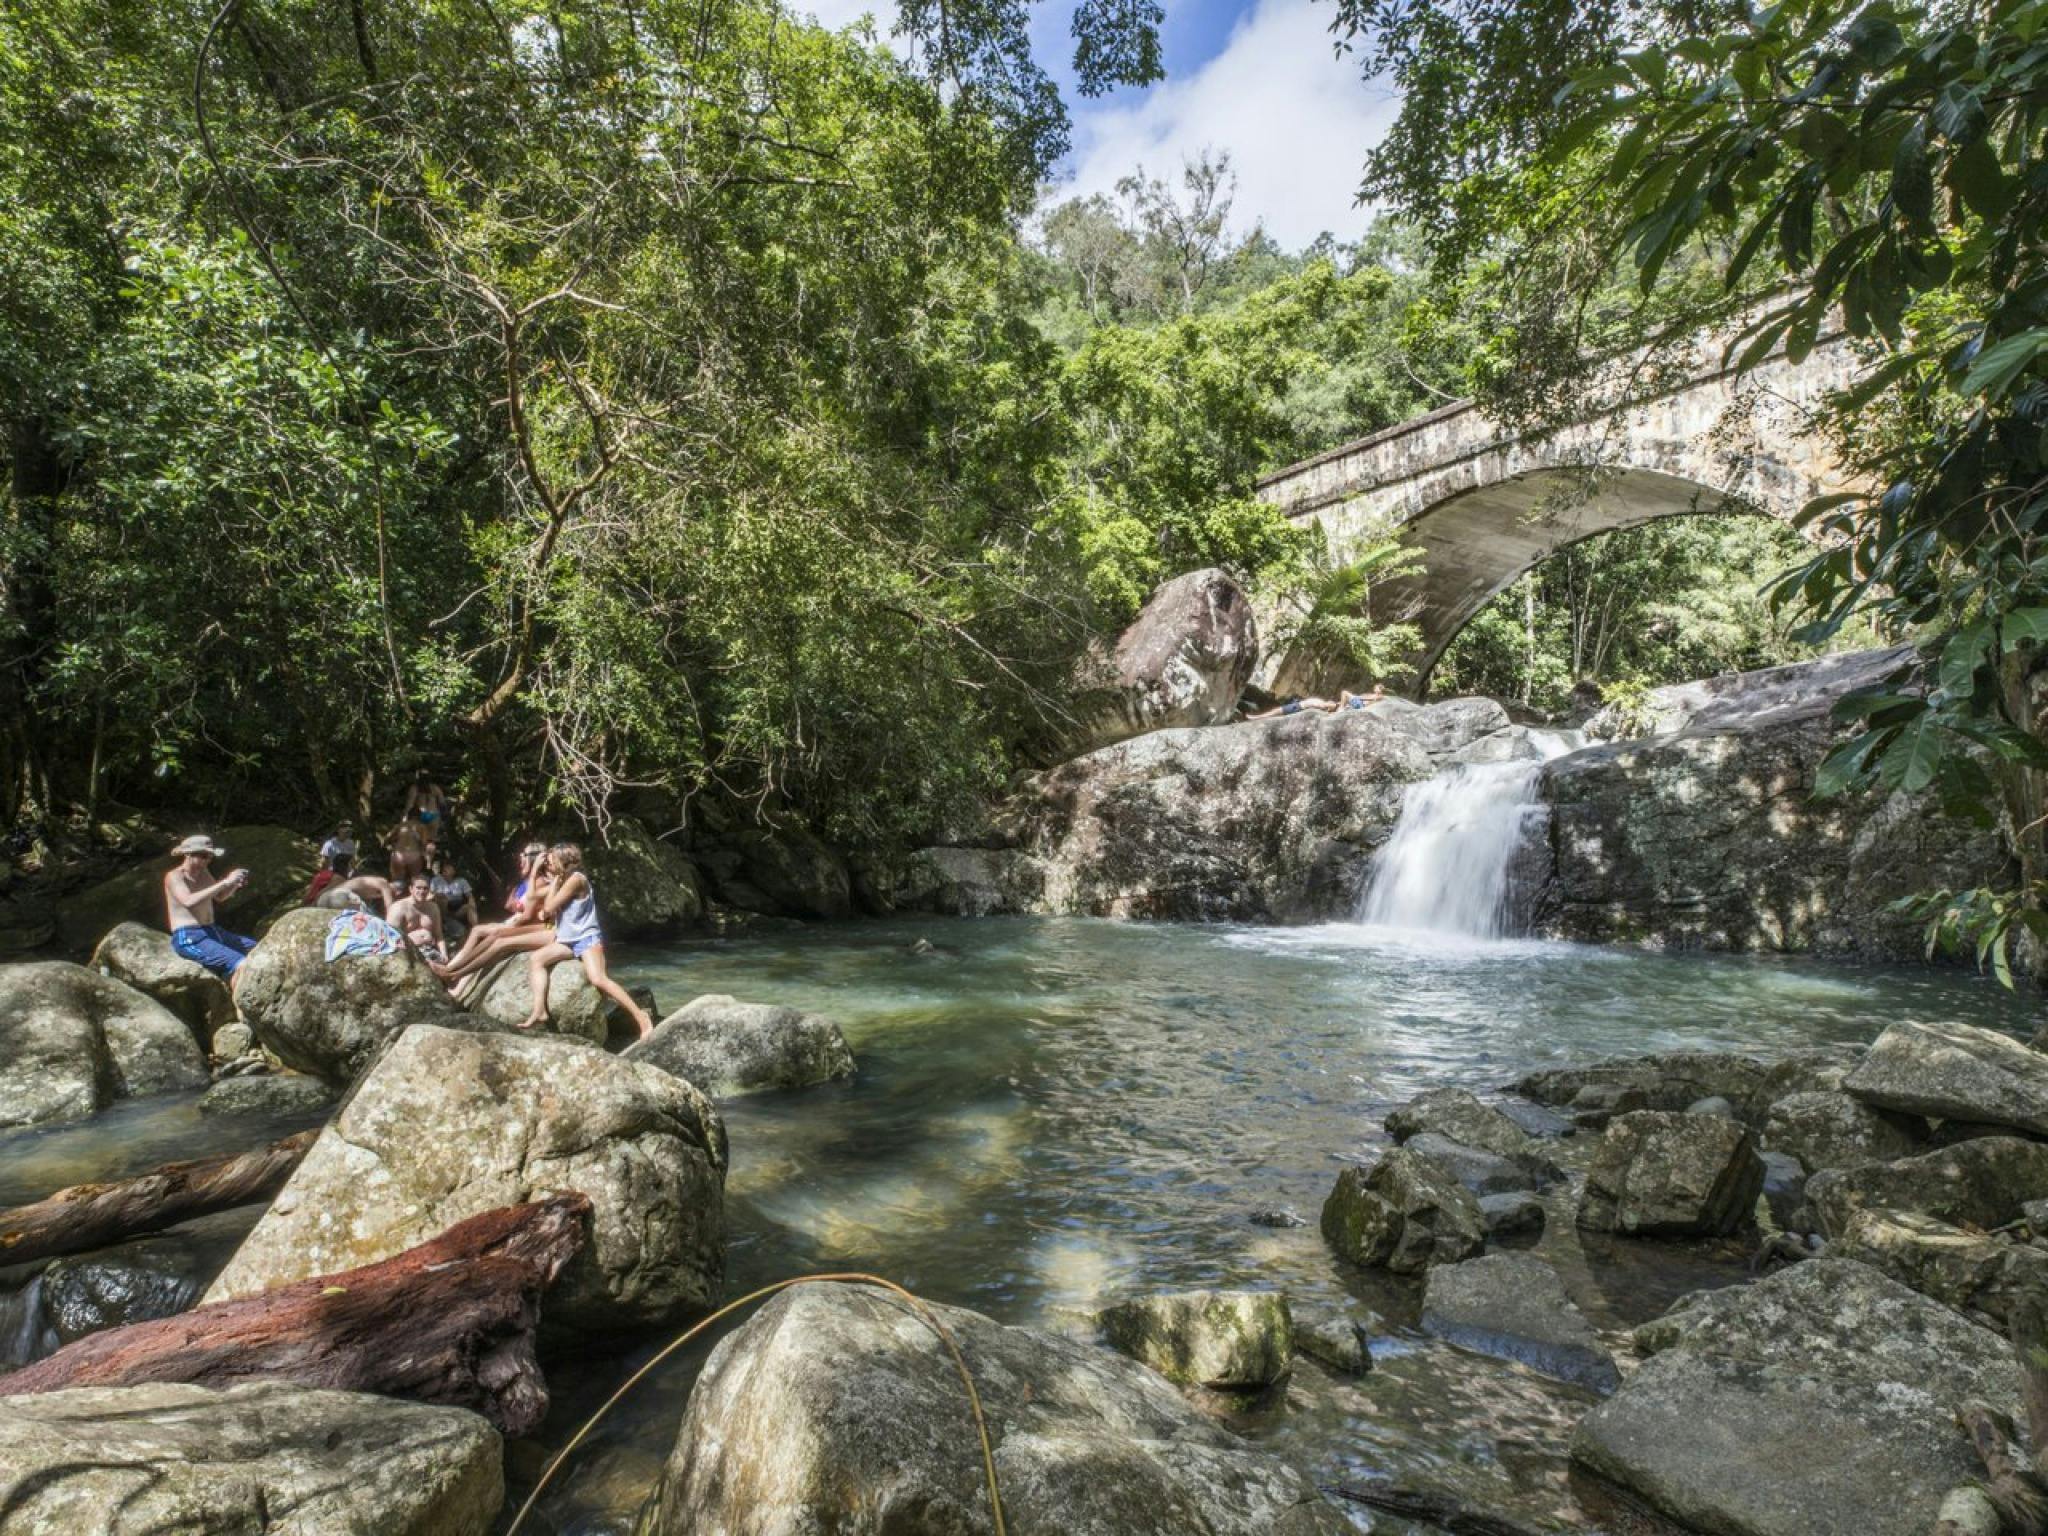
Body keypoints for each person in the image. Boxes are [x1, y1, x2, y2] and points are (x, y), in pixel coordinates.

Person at [519, 843, 653, 1039]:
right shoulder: (561, 879)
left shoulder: (576, 880)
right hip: (567, 940)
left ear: (564, 861)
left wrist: (553, 888)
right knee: (536, 959)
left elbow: (548, 909)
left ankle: (641, 1017)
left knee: (598, 979)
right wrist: (533, 874)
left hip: (586, 938)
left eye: (552, 860)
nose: (548, 864)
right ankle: (540, 1010)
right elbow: (531, 897)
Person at [433, 842, 556, 982]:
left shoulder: (543, 881)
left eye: (524, 855)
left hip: (539, 926)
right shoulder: (530, 881)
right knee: (485, 932)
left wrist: (513, 923)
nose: (520, 857)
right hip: (532, 922)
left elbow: (531, 914)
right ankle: (452, 969)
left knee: (496, 936)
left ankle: (453, 972)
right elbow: (512, 905)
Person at [163, 834, 257, 980]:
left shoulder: (204, 873)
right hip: (189, 936)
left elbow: (219, 897)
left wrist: (234, 885)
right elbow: (188, 901)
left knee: (259, 949)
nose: (208, 860)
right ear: (187, 854)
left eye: (210, 856)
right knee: (241, 964)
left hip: (212, 930)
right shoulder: (174, 876)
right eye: (203, 855)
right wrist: (226, 882)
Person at [387, 873, 447, 962]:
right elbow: (390, 937)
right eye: (418, 888)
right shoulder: (398, 907)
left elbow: (439, 935)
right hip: (408, 952)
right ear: (411, 889)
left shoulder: (433, 907)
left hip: (430, 950)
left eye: (425, 888)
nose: (422, 891)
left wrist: (444, 954)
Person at [430, 852, 478, 946]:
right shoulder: (436, 880)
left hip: (456, 909)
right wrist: (437, 895)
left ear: (454, 870)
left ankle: (475, 929)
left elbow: (469, 896)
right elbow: (430, 895)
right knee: (442, 899)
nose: (445, 869)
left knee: (469, 907)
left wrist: (472, 903)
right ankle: (444, 922)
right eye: (444, 868)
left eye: (448, 867)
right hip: (440, 909)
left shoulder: (461, 881)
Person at [388, 817, 428, 885]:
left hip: (399, 854)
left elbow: (388, 837)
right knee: (415, 879)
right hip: (414, 853)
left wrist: (393, 844)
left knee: (397, 880)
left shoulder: (400, 825)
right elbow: (424, 843)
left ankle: (397, 892)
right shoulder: (421, 826)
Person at [1247, 695, 1337, 719]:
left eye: (1331, 703)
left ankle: (1257, 717)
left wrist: (1333, 706)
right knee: (1276, 711)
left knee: (1276, 711)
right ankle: (1258, 717)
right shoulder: (1322, 703)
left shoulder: (1323, 705)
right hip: (1297, 704)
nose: (1330, 701)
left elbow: (1331, 705)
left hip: (1297, 707)